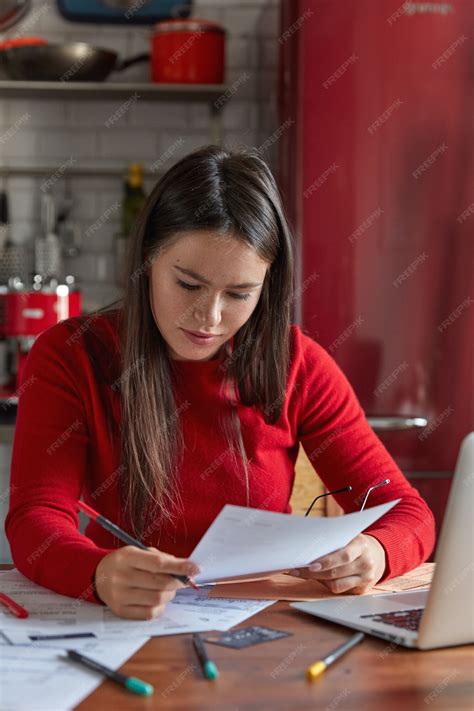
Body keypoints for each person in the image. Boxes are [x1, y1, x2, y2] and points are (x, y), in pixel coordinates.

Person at [6, 145, 435, 620]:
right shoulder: (72, 356)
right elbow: (35, 519)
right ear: (149, 258)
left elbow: (409, 514)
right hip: (127, 620)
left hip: (264, 627)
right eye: (188, 285)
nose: (209, 317)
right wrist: (100, 572)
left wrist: (375, 552)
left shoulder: (298, 364)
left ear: (266, 286)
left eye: (238, 294)